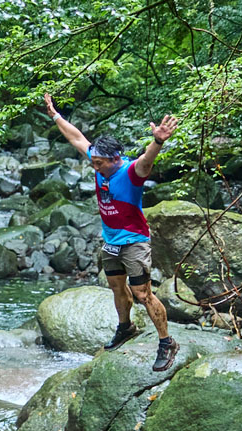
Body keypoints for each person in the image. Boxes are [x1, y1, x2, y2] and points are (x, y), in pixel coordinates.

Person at [44, 93, 181, 371]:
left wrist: (157, 141)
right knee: (117, 288)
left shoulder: (131, 172)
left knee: (142, 294)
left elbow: (147, 160)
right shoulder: (99, 161)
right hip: (111, 241)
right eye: (93, 162)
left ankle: (167, 342)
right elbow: (76, 138)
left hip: (134, 241)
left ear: (114, 158)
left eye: (99, 164)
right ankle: (125, 327)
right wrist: (55, 115)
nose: (94, 167)